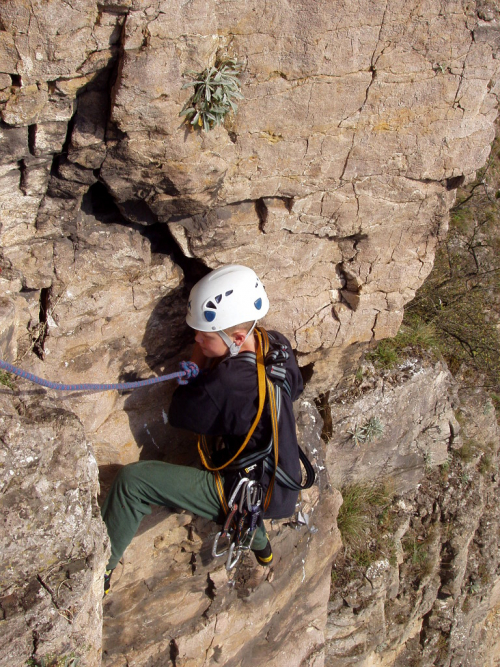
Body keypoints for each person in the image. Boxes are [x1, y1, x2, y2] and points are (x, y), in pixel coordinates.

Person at [101, 264, 309, 594]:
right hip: (280, 475)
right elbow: (295, 389)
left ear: (237, 338)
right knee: (249, 493)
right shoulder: (275, 344)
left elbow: (182, 413)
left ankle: (101, 573)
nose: (195, 339)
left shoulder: (227, 384)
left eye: (204, 336)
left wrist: (197, 366)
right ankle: (262, 549)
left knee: (132, 483)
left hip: (249, 486)